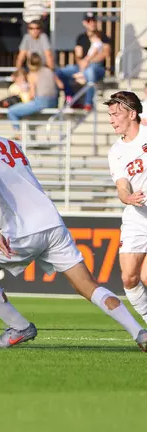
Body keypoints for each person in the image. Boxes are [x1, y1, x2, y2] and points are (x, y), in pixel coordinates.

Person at [0, 97, 147, 350]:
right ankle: (139, 333)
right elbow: (20, 189)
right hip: (52, 224)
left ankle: (20, 327)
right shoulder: (11, 145)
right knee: (88, 286)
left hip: (24, 232)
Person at [105, 91, 147, 326]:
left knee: (146, 276)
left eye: (116, 114)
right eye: (110, 115)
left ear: (132, 114)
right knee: (129, 278)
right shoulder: (116, 151)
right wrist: (127, 197)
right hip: (137, 216)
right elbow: (122, 186)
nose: (112, 120)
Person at [55, 12, 111, 110]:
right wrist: (82, 65)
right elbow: (78, 56)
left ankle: (88, 103)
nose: (92, 23)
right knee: (59, 72)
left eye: (94, 20)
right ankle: (71, 97)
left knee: (90, 71)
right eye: (89, 21)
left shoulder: (103, 36)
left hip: (97, 68)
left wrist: (87, 62)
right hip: (81, 66)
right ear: (84, 23)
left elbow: (105, 54)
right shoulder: (81, 37)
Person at [7, 53, 60, 133]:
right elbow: (61, 85)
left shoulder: (32, 74)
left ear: (29, 63)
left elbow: (32, 95)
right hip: (54, 102)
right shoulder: (50, 71)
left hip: (41, 102)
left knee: (12, 111)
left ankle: (18, 135)